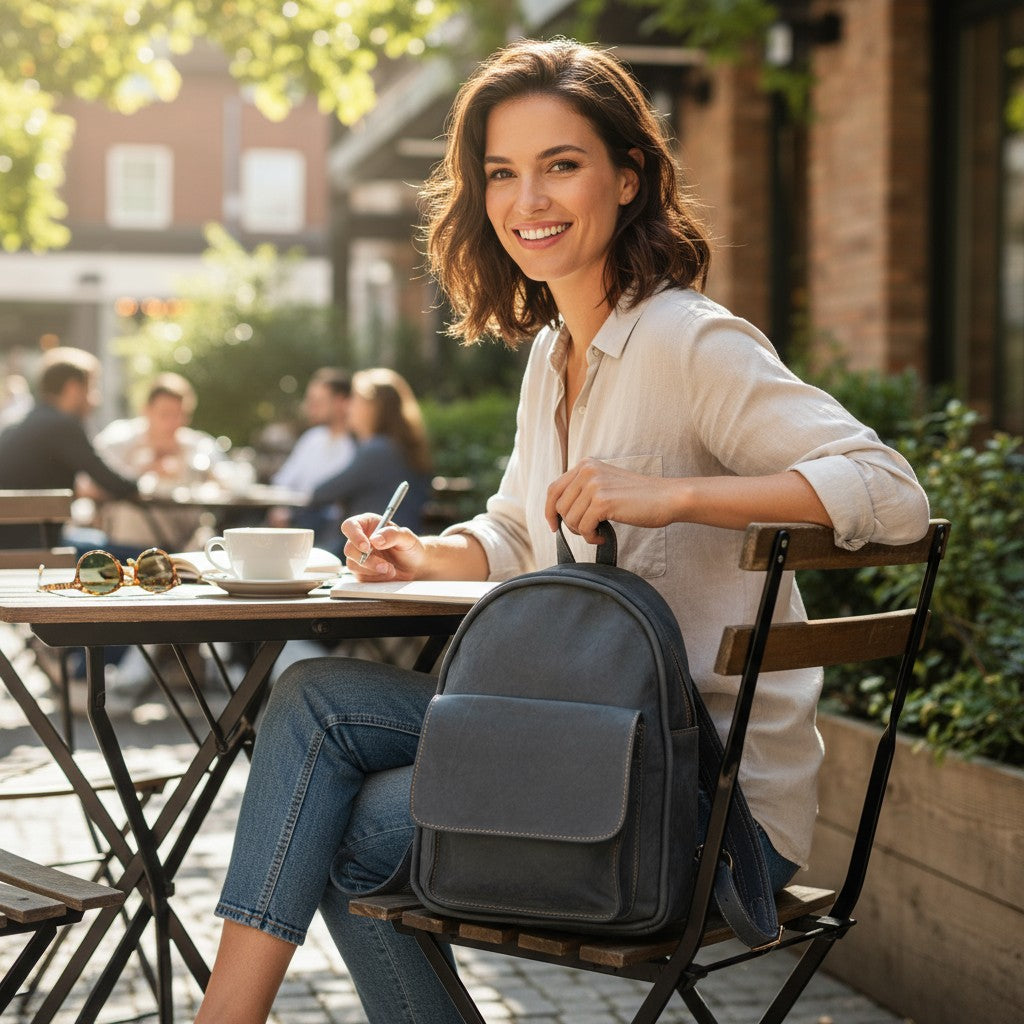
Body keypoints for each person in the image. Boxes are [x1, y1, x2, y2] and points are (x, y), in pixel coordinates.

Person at [194, 39, 930, 1024]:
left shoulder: (688, 339)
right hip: (584, 740)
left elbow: (892, 491)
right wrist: (426, 551)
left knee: (331, 797)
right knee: (313, 706)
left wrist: (672, 496)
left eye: (561, 165)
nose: (526, 200)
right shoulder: (554, 353)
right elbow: (511, 527)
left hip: (701, 802)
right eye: (502, 172)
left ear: (629, 179)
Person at [0, 346, 138, 551]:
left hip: (13, 545)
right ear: (74, 388)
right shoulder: (62, 425)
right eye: (92, 388)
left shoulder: (18, 423)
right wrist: (146, 483)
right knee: (149, 554)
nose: (95, 399)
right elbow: (114, 482)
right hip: (40, 547)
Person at [304, 367, 432, 549]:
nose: (348, 407)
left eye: (355, 400)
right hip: (393, 544)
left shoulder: (377, 450)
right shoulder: (399, 447)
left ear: (374, 408)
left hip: (371, 548)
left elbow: (322, 493)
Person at [93, 372, 223, 550]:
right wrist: (142, 473)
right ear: (146, 410)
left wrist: (209, 478)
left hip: (184, 545)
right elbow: (87, 485)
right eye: (165, 414)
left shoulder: (197, 444)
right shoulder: (119, 439)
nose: (173, 423)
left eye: (180, 415)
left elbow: (228, 482)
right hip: (128, 546)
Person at [267, 367, 357, 544]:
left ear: (340, 401)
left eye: (318, 401)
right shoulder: (312, 439)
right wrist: (281, 509)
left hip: (336, 528)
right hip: (299, 519)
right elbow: (284, 481)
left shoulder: (357, 445)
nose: (311, 407)